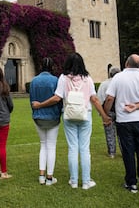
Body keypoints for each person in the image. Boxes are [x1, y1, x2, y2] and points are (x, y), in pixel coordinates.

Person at [32, 53, 111, 190]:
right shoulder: (88, 79)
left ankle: (73, 181)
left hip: (69, 115)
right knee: (84, 149)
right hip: (85, 114)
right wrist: (104, 115)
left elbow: (57, 98)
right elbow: (94, 99)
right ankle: (86, 181)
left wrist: (40, 105)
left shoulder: (63, 78)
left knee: (73, 148)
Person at [105, 54, 139, 194]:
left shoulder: (118, 77)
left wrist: (105, 113)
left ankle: (131, 183)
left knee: (128, 153)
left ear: (126, 63)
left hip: (124, 120)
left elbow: (110, 98)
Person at [29, 57, 63, 186]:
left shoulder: (34, 81)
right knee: (51, 146)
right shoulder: (56, 80)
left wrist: (36, 111)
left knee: (43, 145)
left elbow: (32, 101)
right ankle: (49, 177)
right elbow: (58, 99)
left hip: (38, 117)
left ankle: (42, 176)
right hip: (53, 117)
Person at [97, 66, 121, 158]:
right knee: (122, 133)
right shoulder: (122, 83)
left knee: (109, 132)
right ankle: (124, 151)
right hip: (121, 111)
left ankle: (112, 152)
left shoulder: (104, 84)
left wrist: (102, 113)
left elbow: (100, 98)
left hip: (108, 111)